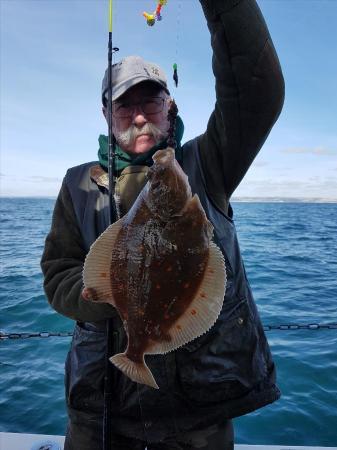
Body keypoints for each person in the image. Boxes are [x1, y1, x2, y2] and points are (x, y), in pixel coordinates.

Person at [41, 0, 285, 448]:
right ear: (106, 115)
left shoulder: (207, 162)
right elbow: (58, 274)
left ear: (169, 105)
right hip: (102, 410)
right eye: (123, 106)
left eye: (150, 101)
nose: (138, 117)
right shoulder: (78, 184)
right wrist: (113, 294)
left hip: (200, 411)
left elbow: (257, 92)